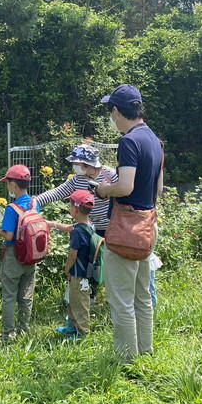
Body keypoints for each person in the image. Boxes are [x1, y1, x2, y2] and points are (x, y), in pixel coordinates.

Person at [95, 84, 163, 363]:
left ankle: (126, 360)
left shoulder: (129, 142)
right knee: (142, 296)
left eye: (111, 112)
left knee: (121, 300)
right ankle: (145, 353)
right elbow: (158, 189)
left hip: (125, 228)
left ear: (116, 111)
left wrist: (103, 189)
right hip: (147, 225)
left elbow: (124, 186)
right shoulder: (155, 141)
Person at [36, 144, 117, 302]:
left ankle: (114, 297)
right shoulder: (78, 179)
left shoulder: (110, 175)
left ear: (87, 165)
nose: (74, 167)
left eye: (77, 164)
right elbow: (58, 192)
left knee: (112, 262)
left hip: (112, 226)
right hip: (91, 228)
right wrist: (36, 201)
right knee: (90, 261)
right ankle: (90, 295)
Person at [0, 164, 39, 342]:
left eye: (8, 183)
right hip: (31, 256)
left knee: (9, 296)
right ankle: (24, 330)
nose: (7, 186)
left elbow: (9, 235)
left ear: (13, 185)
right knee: (26, 295)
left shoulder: (11, 208)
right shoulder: (35, 203)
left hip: (13, 256)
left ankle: (8, 335)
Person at [55, 190, 98, 337]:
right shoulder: (89, 226)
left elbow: (72, 255)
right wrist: (52, 224)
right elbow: (70, 227)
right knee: (73, 301)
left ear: (75, 209)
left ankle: (83, 334)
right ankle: (72, 328)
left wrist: (67, 269)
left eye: (70, 205)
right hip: (85, 271)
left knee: (80, 305)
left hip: (78, 274)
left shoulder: (77, 233)